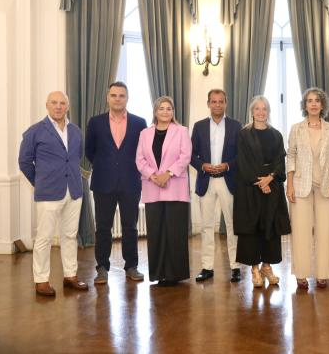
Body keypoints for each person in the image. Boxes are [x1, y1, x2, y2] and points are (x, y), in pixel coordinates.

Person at [18, 91, 89, 296]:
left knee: (69, 235)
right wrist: (40, 182)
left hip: (74, 190)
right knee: (44, 237)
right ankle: (41, 280)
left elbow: (76, 157)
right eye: (54, 103)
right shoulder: (35, 132)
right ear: (47, 105)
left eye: (62, 103)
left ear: (67, 106)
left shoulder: (75, 131)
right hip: (48, 192)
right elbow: (24, 162)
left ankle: (70, 275)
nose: (58, 106)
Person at [85, 82, 147, 284]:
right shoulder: (95, 122)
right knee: (103, 227)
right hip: (104, 183)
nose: (117, 99)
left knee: (130, 226)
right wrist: (107, 166)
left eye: (121, 95)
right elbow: (90, 151)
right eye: (114, 95)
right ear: (108, 98)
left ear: (127, 98)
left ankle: (132, 266)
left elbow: (143, 152)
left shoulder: (139, 122)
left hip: (130, 182)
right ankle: (102, 268)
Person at [287, 87, 329, 290]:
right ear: (305, 105)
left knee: (325, 232)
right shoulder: (296, 128)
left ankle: (323, 274)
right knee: (300, 231)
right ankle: (301, 274)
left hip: (327, 186)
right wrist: (289, 184)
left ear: (322, 104)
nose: (313, 104)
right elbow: (290, 156)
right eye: (309, 100)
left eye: (317, 100)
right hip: (300, 187)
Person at [233, 96, 290, 287]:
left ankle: (267, 266)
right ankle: (255, 269)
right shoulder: (243, 134)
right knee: (252, 230)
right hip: (250, 188)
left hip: (271, 187)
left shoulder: (276, 135)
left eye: (264, 109)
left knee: (270, 229)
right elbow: (243, 162)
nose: (260, 112)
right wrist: (260, 181)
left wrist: (270, 177)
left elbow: (280, 160)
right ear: (252, 111)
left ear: (268, 111)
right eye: (257, 109)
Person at [135, 96, 191, 286]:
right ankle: (159, 274)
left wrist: (167, 174)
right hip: (152, 188)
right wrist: (153, 176)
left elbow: (185, 157)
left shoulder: (182, 131)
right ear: (155, 111)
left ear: (173, 112)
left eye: (169, 109)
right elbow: (140, 160)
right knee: (156, 232)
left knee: (175, 231)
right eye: (162, 108)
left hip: (175, 187)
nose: (166, 112)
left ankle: (175, 274)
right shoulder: (145, 133)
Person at [191, 89, 242, 282]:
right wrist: (202, 165)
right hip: (206, 181)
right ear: (208, 104)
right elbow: (191, 154)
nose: (217, 105)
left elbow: (241, 154)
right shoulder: (199, 126)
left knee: (232, 225)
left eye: (221, 101)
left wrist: (228, 165)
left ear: (225, 103)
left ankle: (235, 266)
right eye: (214, 101)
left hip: (228, 181)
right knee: (206, 226)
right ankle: (207, 267)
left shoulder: (236, 126)